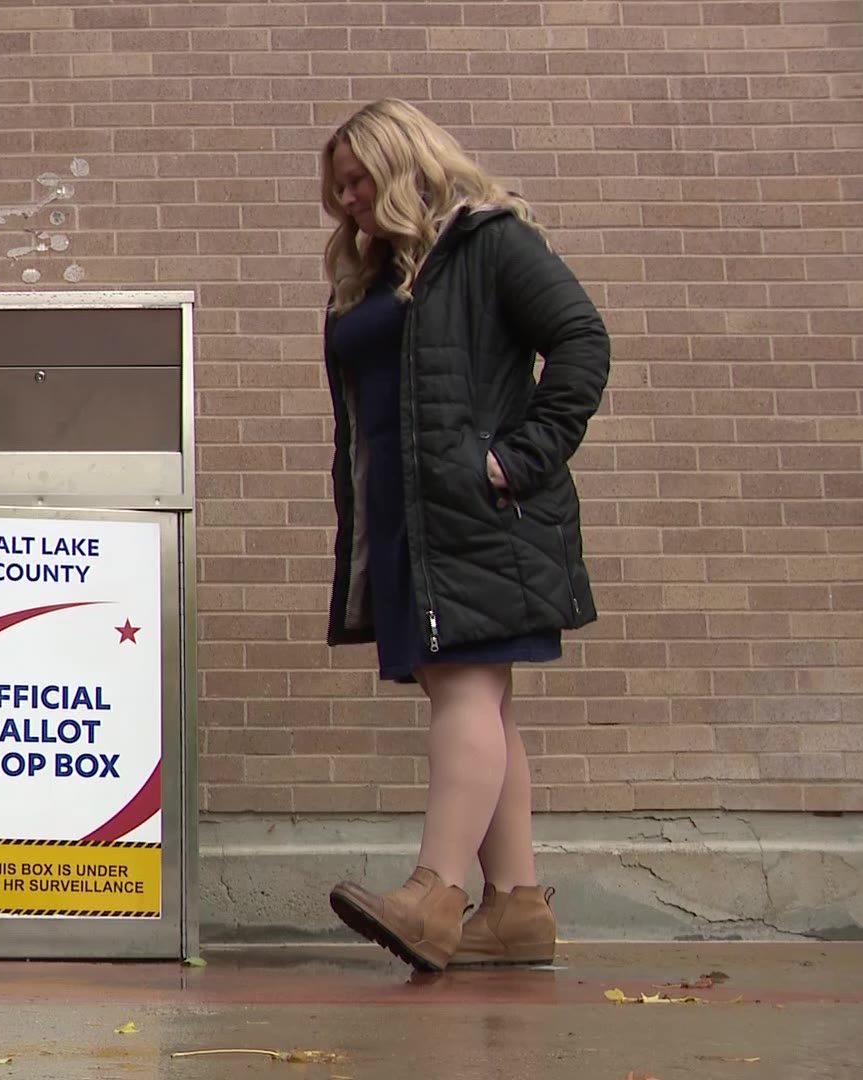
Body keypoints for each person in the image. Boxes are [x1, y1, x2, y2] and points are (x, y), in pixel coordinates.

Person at [316, 99, 611, 973]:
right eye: (337, 190)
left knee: (466, 695)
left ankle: (434, 893)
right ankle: (515, 907)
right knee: (481, 699)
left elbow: (582, 342)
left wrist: (515, 461)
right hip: (414, 519)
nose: (348, 202)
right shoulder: (381, 272)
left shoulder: (488, 243)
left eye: (360, 179)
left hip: (482, 514)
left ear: (404, 162)